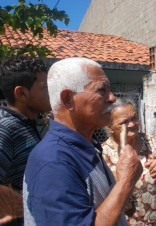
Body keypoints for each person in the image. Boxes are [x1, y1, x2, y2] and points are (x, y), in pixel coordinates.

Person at [23, 57, 143, 226]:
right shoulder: (54, 161)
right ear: (68, 99)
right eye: (101, 90)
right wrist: (125, 182)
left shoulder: (87, 144)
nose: (112, 98)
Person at [101, 98, 156, 225]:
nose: (132, 124)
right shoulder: (103, 154)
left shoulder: (149, 141)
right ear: (110, 127)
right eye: (124, 122)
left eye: (134, 118)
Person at [0, 56, 51, 225]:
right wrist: (25, 203)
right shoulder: (6, 127)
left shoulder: (28, 122)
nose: (51, 92)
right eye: (45, 87)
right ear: (21, 93)